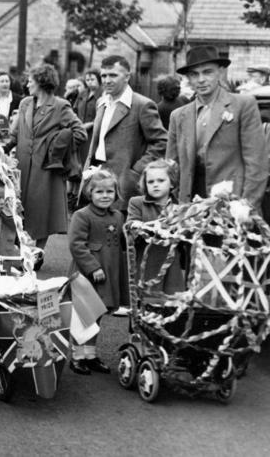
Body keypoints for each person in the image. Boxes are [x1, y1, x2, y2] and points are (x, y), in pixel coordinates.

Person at [166, 45, 268, 209]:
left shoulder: (242, 105)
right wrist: (176, 204)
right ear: (188, 79)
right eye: (194, 74)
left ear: (220, 72)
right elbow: (172, 166)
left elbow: (257, 162)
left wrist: (247, 205)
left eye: (207, 72)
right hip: (191, 205)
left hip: (232, 202)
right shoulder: (178, 116)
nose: (201, 79)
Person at [9, 64, 86, 248]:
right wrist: (2, 148)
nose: (27, 84)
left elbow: (80, 133)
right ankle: (17, 249)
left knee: (41, 210)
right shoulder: (25, 103)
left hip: (46, 168)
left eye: (30, 81)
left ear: (42, 83)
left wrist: (57, 145)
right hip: (22, 166)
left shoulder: (60, 106)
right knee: (18, 207)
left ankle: (39, 252)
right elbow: (15, 132)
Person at [83, 55, 166, 212]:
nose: (107, 80)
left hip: (124, 184)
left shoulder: (142, 105)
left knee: (121, 233)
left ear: (127, 76)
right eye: (104, 76)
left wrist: (135, 171)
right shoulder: (102, 103)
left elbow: (161, 141)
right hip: (98, 180)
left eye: (113, 75)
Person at [67, 167, 124, 375]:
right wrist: (93, 267)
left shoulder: (117, 216)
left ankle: (90, 355)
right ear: (89, 193)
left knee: (98, 314)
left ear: (116, 193)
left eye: (109, 191)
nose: (105, 196)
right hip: (87, 274)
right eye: (99, 191)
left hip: (109, 272)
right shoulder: (82, 215)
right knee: (84, 315)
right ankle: (77, 356)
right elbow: (76, 245)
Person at [126, 159, 185, 294]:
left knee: (170, 299)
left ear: (171, 183)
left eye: (161, 181)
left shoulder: (179, 207)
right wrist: (142, 227)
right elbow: (130, 226)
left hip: (170, 261)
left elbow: (186, 234)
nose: (155, 185)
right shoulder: (137, 203)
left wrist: (179, 230)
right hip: (146, 260)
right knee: (146, 298)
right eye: (150, 182)